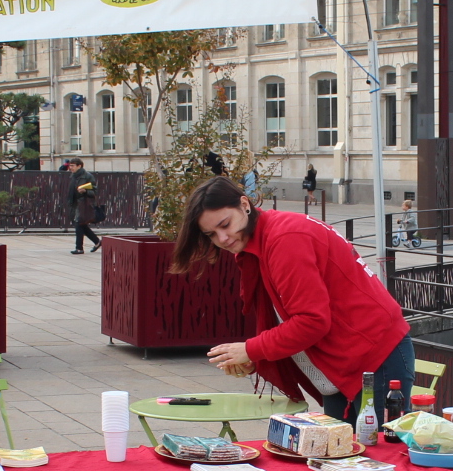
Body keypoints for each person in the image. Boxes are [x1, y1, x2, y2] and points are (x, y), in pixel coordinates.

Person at [175, 178, 412, 421]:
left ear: (244, 204)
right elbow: (284, 315)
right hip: (347, 356)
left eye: (225, 224)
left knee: (379, 453)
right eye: (211, 234)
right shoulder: (266, 236)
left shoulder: (284, 238)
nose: (222, 238)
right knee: (341, 453)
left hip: (375, 354)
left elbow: (311, 321)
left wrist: (251, 349)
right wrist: (254, 356)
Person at [66, 158, 101, 254]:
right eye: (70, 165)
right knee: (82, 225)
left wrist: (85, 191)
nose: (70, 167)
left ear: (79, 166)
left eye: (72, 166)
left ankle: (79, 248)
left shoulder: (87, 176)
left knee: (79, 224)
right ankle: (97, 242)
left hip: (84, 204)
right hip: (75, 203)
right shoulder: (73, 176)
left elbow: (94, 191)